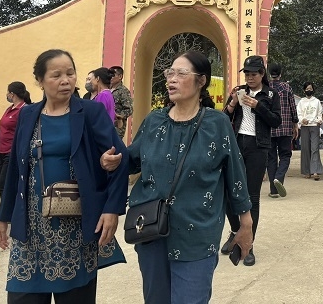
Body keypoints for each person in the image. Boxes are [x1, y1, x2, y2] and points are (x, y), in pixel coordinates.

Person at [103, 51, 253, 304]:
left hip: (198, 233)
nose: (171, 79)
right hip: (151, 229)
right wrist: (113, 161)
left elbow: (235, 176)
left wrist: (245, 224)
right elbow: (132, 160)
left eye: (181, 73)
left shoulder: (217, 124)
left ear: (201, 80)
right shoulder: (154, 121)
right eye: (169, 73)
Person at [0, 49, 128, 303]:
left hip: (74, 229)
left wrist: (111, 209)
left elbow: (120, 160)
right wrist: (4, 216)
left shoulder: (90, 112)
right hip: (31, 229)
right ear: (40, 81)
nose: (66, 80)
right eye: (56, 75)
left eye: (70, 73)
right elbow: (16, 169)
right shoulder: (27, 114)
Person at [220, 55, 281, 266]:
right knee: (229, 192)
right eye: (246, 73)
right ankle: (237, 231)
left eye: (253, 74)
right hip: (237, 143)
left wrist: (258, 106)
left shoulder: (271, 94)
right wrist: (232, 104)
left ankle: (249, 244)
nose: (249, 77)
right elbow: (223, 117)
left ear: (262, 74)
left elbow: (276, 121)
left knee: (252, 197)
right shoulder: (238, 90)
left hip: (258, 146)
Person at [0, 82, 31, 226]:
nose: (7, 95)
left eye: (8, 92)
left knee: (4, 183)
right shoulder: (9, 109)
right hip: (1, 150)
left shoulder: (24, 109)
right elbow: (2, 129)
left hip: (12, 152)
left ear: (12, 94)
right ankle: (6, 212)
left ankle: (6, 214)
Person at [266, 61, 298, 199]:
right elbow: (292, 107)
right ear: (280, 73)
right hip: (285, 127)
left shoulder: (265, 87)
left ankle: (273, 191)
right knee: (285, 155)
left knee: (271, 158)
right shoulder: (286, 87)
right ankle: (279, 177)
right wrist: (295, 124)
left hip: (269, 127)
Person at [296, 81, 323, 180]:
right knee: (305, 149)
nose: (309, 91)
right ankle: (307, 171)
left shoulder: (317, 101)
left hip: (314, 126)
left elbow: (320, 113)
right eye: (307, 89)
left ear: (313, 90)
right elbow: (298, 114)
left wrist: (319, 120)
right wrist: (301, 120)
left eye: (310, 89)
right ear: (304, 91)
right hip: (304, 126)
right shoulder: (301, 102)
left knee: (314, 148)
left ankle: (315, 171)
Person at [109, 65, 133, 142]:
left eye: (113, 75)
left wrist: (119, 116)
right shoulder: (107, 89)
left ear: (120, 76)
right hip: (107, 124)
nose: (110, 77)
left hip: (117, 127)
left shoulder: (123, 91)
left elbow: (129, 109)